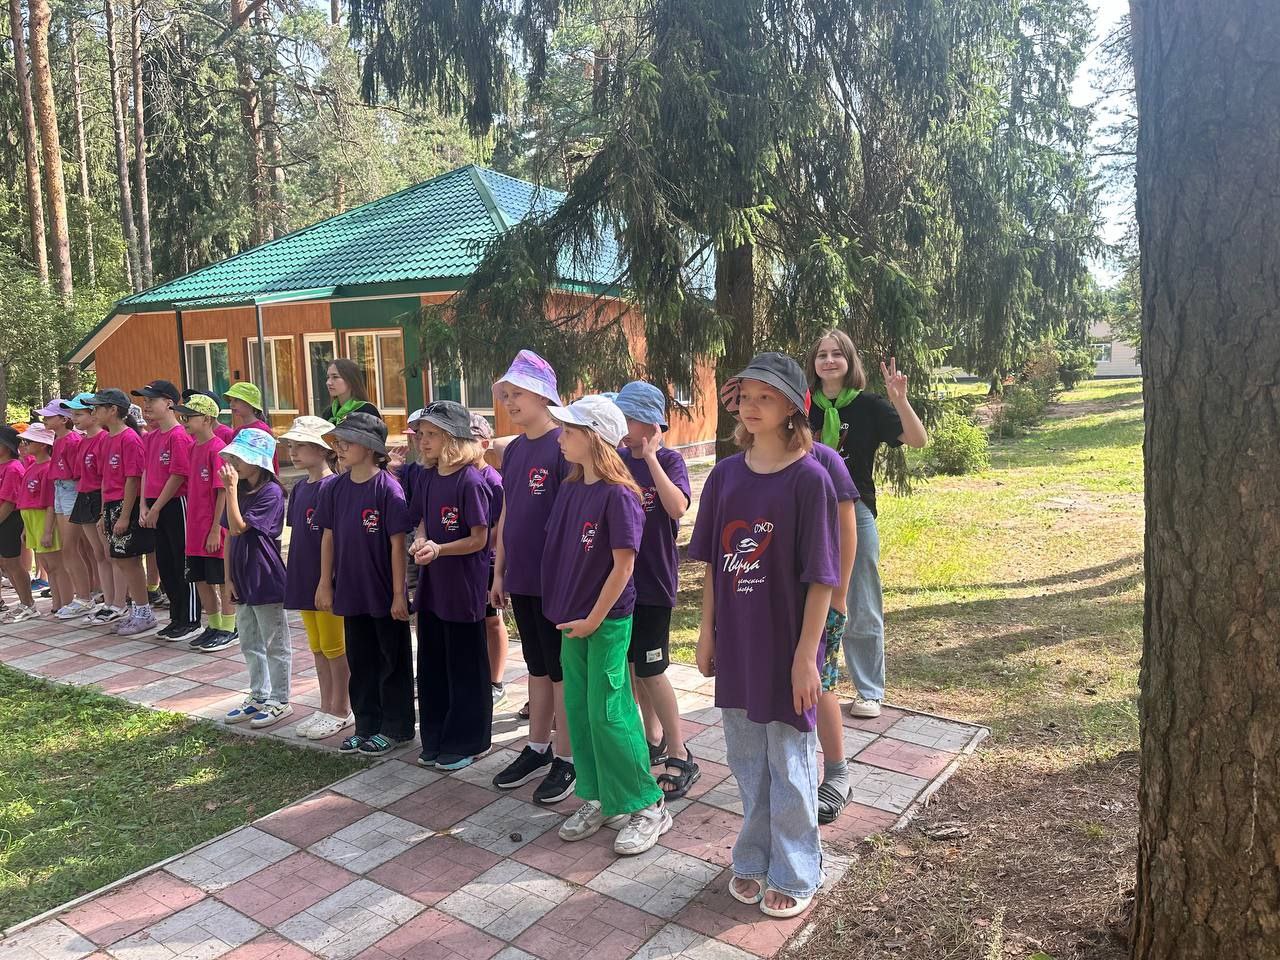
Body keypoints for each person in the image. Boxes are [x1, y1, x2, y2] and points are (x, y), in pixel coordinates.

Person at [691, 353, 839, 920]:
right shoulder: (725, 476)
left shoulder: (811, 479)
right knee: (748, 758)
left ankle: (797, 869)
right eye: (745, 396)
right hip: (738, 644)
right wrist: (707, 632)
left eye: (766, 397)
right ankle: (753, 854)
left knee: (790, 761)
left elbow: (821, 577)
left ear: (793, 407)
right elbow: (715, 564)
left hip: (788, 648)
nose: (752, 407)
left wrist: (807, 657)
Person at [539, 395, 669, 853]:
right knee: (578, 710)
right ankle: (600, 797)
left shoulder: (620, 495)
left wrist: (593, 618)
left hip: (606, 620)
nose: (560, 438)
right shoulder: (572, 486)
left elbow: (623, 567)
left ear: (594, 438)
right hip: (571, 620)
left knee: (609, 712)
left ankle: (648, 804)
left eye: (569, 431)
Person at [805, 330, 928, 718]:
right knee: (805, 597)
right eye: (822, 355)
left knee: (861, 600)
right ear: (813, 363)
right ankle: (809, 679)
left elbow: (918, 440)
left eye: (836, 354)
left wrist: (900, 400)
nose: (829, 361)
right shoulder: (800, 405)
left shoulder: (869, 405)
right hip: (806, 510)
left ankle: (869, 691)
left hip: (854, 511)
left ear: (849, 361)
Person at [488, 350, 576, 804]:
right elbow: (507, 513)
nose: (509, 402)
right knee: (537, 667)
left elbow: (573, 518)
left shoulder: (564, 445)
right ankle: (537, 747)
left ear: (544, 396)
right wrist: (499, 571)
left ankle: (568, 756)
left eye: (517, 393)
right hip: (521, 578)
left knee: (561, 671)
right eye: (505, 395)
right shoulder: (516, 450)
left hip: (555, 582)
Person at [612, 381, 701, 800]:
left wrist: (650, 459)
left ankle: (680, 751)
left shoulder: (669, 460)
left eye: (627, 419)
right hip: (621, 583)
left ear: (649, 423)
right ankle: (653, 737)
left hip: (654, 582)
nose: (621, 427)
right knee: (634, 668)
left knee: (651, 667)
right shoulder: (616, 460)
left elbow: (677, 507)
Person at [314, 411, 414, 756]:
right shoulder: (334, 488)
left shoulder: (388, 489)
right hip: (351, 591)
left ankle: (396, 727)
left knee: (391, 661)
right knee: (361, 660)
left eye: (348, 442)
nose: (340, 447)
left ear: (371, 448)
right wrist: (325, 582)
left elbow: (398, 546)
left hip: (383, 593)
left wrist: (399, 594)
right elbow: (328, 537)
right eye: (338, 442)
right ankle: (366, 724)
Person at [407, 400, 493, 770]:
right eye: (421, 434)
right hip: (432, 589)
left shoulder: (469, 480)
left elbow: (479, 538)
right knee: (432, 665)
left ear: (454, 439)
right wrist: (420, 540)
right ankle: (436, 737)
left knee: (465, 668)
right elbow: (423, 520)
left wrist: (440, 549)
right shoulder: (426, 476)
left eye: (432, 434)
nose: (423, 441)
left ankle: (469, 740)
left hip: (462, 590)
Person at [281, 415, 353, 740]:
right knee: (317, 647)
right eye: (291, 446)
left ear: (323, 449)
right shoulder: (299, 488)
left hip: (327, 581)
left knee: (335, 647)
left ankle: (342, 708)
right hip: (302, 578)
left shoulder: (334, 486)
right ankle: (325, 706)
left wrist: (327, 581)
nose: (293, 452)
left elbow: (333, 538)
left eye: (301, 445)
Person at [218, 429, 292, 728]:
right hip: (241, 576)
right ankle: (259, 694)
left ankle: (280, 699)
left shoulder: (271, 493)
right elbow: (228, 536)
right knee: (249, 640)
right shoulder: (239, 490)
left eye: (240, 458)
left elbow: (239, 527)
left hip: (264, 576)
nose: (234, 463)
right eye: (233, 457)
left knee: (274, 642)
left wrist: (230, 489)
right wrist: (227, 579)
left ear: (258, 462)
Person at [806, 440, 860, 823]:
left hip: (823, 597)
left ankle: (838, 773)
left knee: (820, 684)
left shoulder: (824, 459)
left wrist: (839, 595)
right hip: (776, 600)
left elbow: (847, 527)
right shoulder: (751, 460)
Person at [133, 381, 203, 643]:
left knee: (181, 561)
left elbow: (178, 475)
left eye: (152, 400)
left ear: (169, 403)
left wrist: (156, 507)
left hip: (175, 504)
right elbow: (146, 471)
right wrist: (144, 505)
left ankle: (191, 619)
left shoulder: (178, 436)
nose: (147, 405)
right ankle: (176, 616)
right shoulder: (151, 437)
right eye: (145, 400)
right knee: (164, 562)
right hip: (154, 505)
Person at [88, 390, 157, 634]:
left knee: (129, 559)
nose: (94, 412)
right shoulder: (107, 439)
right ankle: (137, 610)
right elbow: (105, 478)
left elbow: (133, 480)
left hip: (126, 505)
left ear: (113, 410)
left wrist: (125, 515)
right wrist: (103, 514)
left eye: (98, 408)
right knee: (119, 558)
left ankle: (144, 613)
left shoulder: (129, 439)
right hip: (111, 505)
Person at [173, 394, 237, 650]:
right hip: (194, 528)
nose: (184, 421)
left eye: (189, 417)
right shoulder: (192, 448)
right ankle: (214, 624)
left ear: (208, 419)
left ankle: (229, 627)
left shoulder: (217, 449)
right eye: (183, 417)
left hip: (212, 528)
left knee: (220, 579)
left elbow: (222, 492)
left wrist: (215, 529)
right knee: (199, 578)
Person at [36, 399, 96, 620]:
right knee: (68, 548)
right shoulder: (58, 440)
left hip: (72, 489)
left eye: (49, 416)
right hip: (61, 489)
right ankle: (83, 595)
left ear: (63, 419)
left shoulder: (72, 440)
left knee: (72, 547)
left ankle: (84, 597)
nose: (45, 420)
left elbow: (77, 473)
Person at [61, 394, 115, 621]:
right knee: (98, 553)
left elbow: (105, 477)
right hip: (84, 497)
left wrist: (103, 509)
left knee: (109, 553)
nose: (74, 419)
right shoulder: (82, 441)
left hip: (99, 498)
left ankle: (118, 602)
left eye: (79, 414)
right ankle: (107, 601)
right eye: (73, 414)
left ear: (94, 415)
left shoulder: (104, 439)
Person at [470, 412, 509, 704]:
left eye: (470, 439)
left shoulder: (493, 480)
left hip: (489, 560)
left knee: (492, 621)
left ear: (485, 444)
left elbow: (500, 525)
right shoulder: (460, 476)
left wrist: (478, 543)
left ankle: (496, 682)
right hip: (466, 561)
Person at [15, 426, 71, 615]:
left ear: (43, 445)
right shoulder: (32, 467)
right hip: (32, 520)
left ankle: (66, 603)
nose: (25, 445)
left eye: (29, 441)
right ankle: (57, 603)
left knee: (56, 565)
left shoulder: (47, 468)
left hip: (44, 519)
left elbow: (50, 504)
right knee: (48, 565)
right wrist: (25, 528)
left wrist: (47, 531)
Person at [0, 427, 36, 623]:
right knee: (6, 563)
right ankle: (24, 603)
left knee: (13, 563)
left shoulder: (13, 467)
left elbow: (9, 502)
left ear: (7, 446)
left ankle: (28, 603)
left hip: (10, 519)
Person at [224, 382, 279, 471]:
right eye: (230, 401)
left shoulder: (261, 430)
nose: (231, 405)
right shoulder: (238, 431)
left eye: (236, 400)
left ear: (249, 402)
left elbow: (268, 462)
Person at [324, 358, 381, 425]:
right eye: (328, 377)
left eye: (335, 377)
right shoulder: (328, 413)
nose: (328, 382)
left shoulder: (366, 411)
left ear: (351, 379)